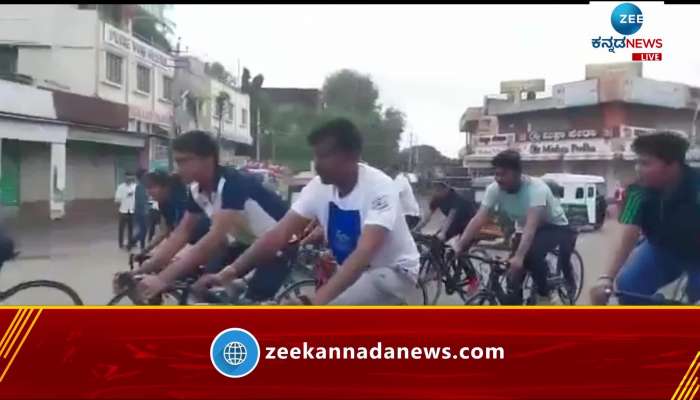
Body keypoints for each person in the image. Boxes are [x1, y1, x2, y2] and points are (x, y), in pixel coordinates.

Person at [192, 118, 422, 305]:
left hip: (392, 273)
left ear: (351, 156)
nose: (317, 163)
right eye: (315, 156)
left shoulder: (379, 187)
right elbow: (277, 236)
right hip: (358, 273)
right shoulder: (319, 187)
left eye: (324, 156)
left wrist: (315, 303)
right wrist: (228, 274)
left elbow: (364, 253)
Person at [131, 130, 293, 302]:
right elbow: (181, 234)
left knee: (252, 301)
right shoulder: (196, 191)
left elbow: (215, 237)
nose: (178, 169)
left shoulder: (232, 183)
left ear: (207, 159)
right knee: (202, 286)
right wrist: (142, 270)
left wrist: (163, 279)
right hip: (248, 243)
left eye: (183, 161)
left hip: (280, 244)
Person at [590, 132, 700, 305]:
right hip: (662, 249)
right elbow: (626, 234)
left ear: (672, 165)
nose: (637, 168)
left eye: (646, 163)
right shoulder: (636, 193)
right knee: (627, 287)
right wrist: (606, 277)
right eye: (637, 162)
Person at [453, 150, 575, 305]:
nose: (498, 179)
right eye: (496, 174)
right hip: (524, 227)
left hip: (553, 227)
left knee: (530, 256)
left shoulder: (537, 189)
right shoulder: (494, 189)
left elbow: (531, 227)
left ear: (517, 173)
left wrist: (519, 257)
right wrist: (460, 244)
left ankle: (546, 294)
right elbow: (478, 219)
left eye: (503, 174)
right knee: (512, 275)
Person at [139, 171, 211, 256]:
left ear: (166, 187)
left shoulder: (181, 202)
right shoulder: (163, 203)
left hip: (208, 243)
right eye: (147, 188)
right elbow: (165, 230)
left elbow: (179, 234)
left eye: (152, 187)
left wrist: (160, 255)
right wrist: (146, 250)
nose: (148, 192)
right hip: (192, 244)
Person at [386, 164, 421, 229]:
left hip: (409, 215)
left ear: (395, 171)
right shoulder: (397, 180)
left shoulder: (400, 180)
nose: (388, 174)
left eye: (389, 172)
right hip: (407, 215)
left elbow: (392, 196)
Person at [114, 172, 137, 249]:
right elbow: (117, 200)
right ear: (125, 178)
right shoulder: (120, 187)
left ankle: (130, 243)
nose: (129, 179)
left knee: (131, 229)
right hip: (123, 211)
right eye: (127, 178)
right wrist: (125, 196)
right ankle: (121, 244)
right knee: (121, 229)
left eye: (130, 178)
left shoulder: (135, 187)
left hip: (132, 211)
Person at [130, 169, 149, 251]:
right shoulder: (140, 186)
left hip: (141, 211)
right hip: (141, 212)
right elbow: (141, 201)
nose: (147, 176)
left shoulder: (143, 185)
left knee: (143, 229)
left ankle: (133, 241)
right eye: (145, 175)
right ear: (141, 177)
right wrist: (146, 210)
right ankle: (142, 246)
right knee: (143, 229)